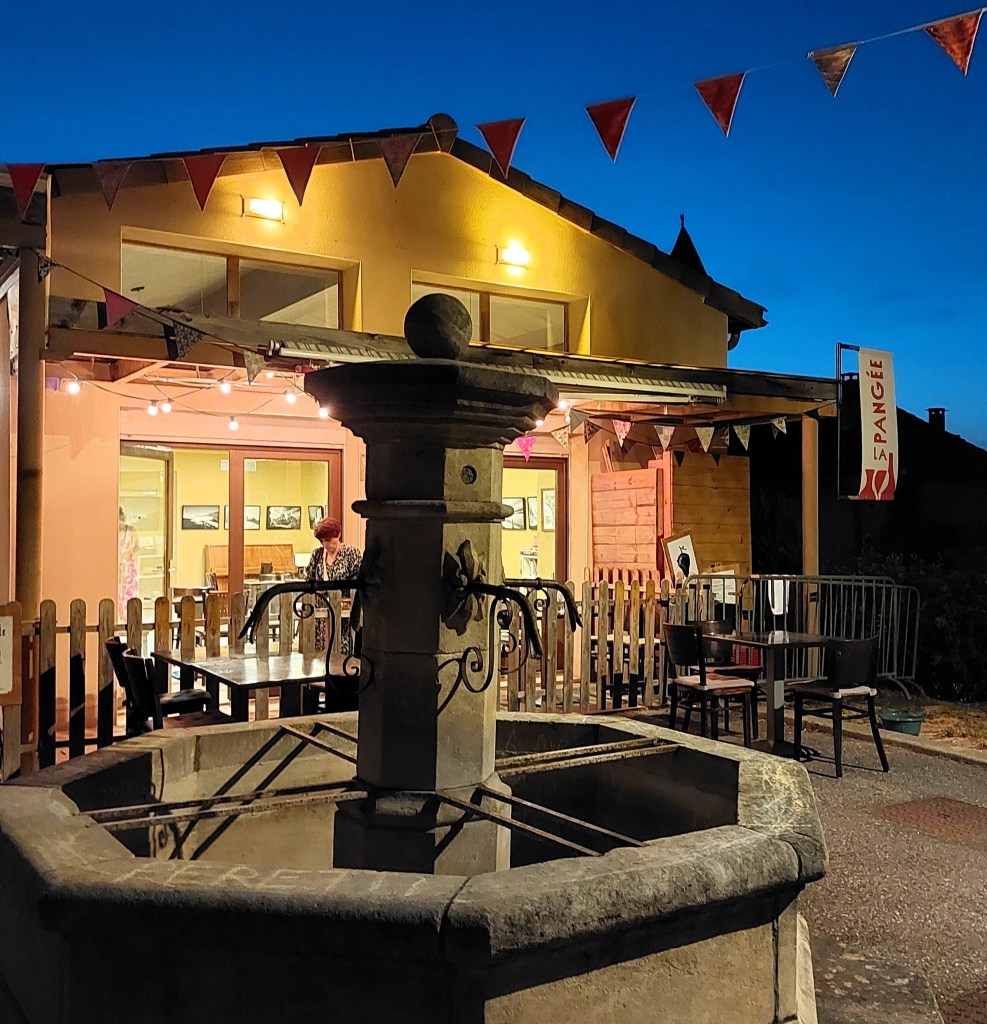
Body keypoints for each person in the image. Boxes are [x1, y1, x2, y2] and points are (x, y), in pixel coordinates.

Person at [303, 517, 362, 652]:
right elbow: (309, 578)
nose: (327, 544)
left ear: (338, 535)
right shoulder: (317, 555)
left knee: (341, 646)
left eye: (330, 540)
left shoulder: (351, 553)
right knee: (321, 647)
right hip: (320, 610)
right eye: (323, 541)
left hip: (344, 610)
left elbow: (358, 581)